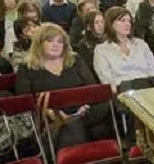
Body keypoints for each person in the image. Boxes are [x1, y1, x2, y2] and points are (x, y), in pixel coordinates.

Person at [15, 23, 115, 151]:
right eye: (50, 40)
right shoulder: (26, 68)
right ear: (39, 43)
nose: (56, 45)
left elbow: (93, 90)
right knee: (76, 125)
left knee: (114, 105)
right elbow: (25, 103)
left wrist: (86, 106)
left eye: (60, 41)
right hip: (51, 119)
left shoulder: (75, 60)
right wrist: (47, 112)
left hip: (84, 112)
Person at [93, 6, 154, 93]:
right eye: (122, 20)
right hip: (123, 92)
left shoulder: (141, 44)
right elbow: (107, 80)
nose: (127, 24)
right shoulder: (101, 50)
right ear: (111, 24)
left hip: (148, 89)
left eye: (129, 21)